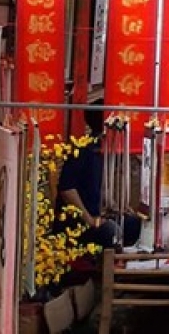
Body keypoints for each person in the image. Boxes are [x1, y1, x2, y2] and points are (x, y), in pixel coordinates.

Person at [55, 99, 140, 249]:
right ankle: (104, 264)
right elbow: (67, 190)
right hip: (78, 220)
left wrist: (116, 207)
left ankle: (119, 261)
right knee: (110, 231)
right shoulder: (81, 149)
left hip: (98, 213)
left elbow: (101, 187)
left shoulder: (104, 148)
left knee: (132, 223)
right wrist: (89, 220)